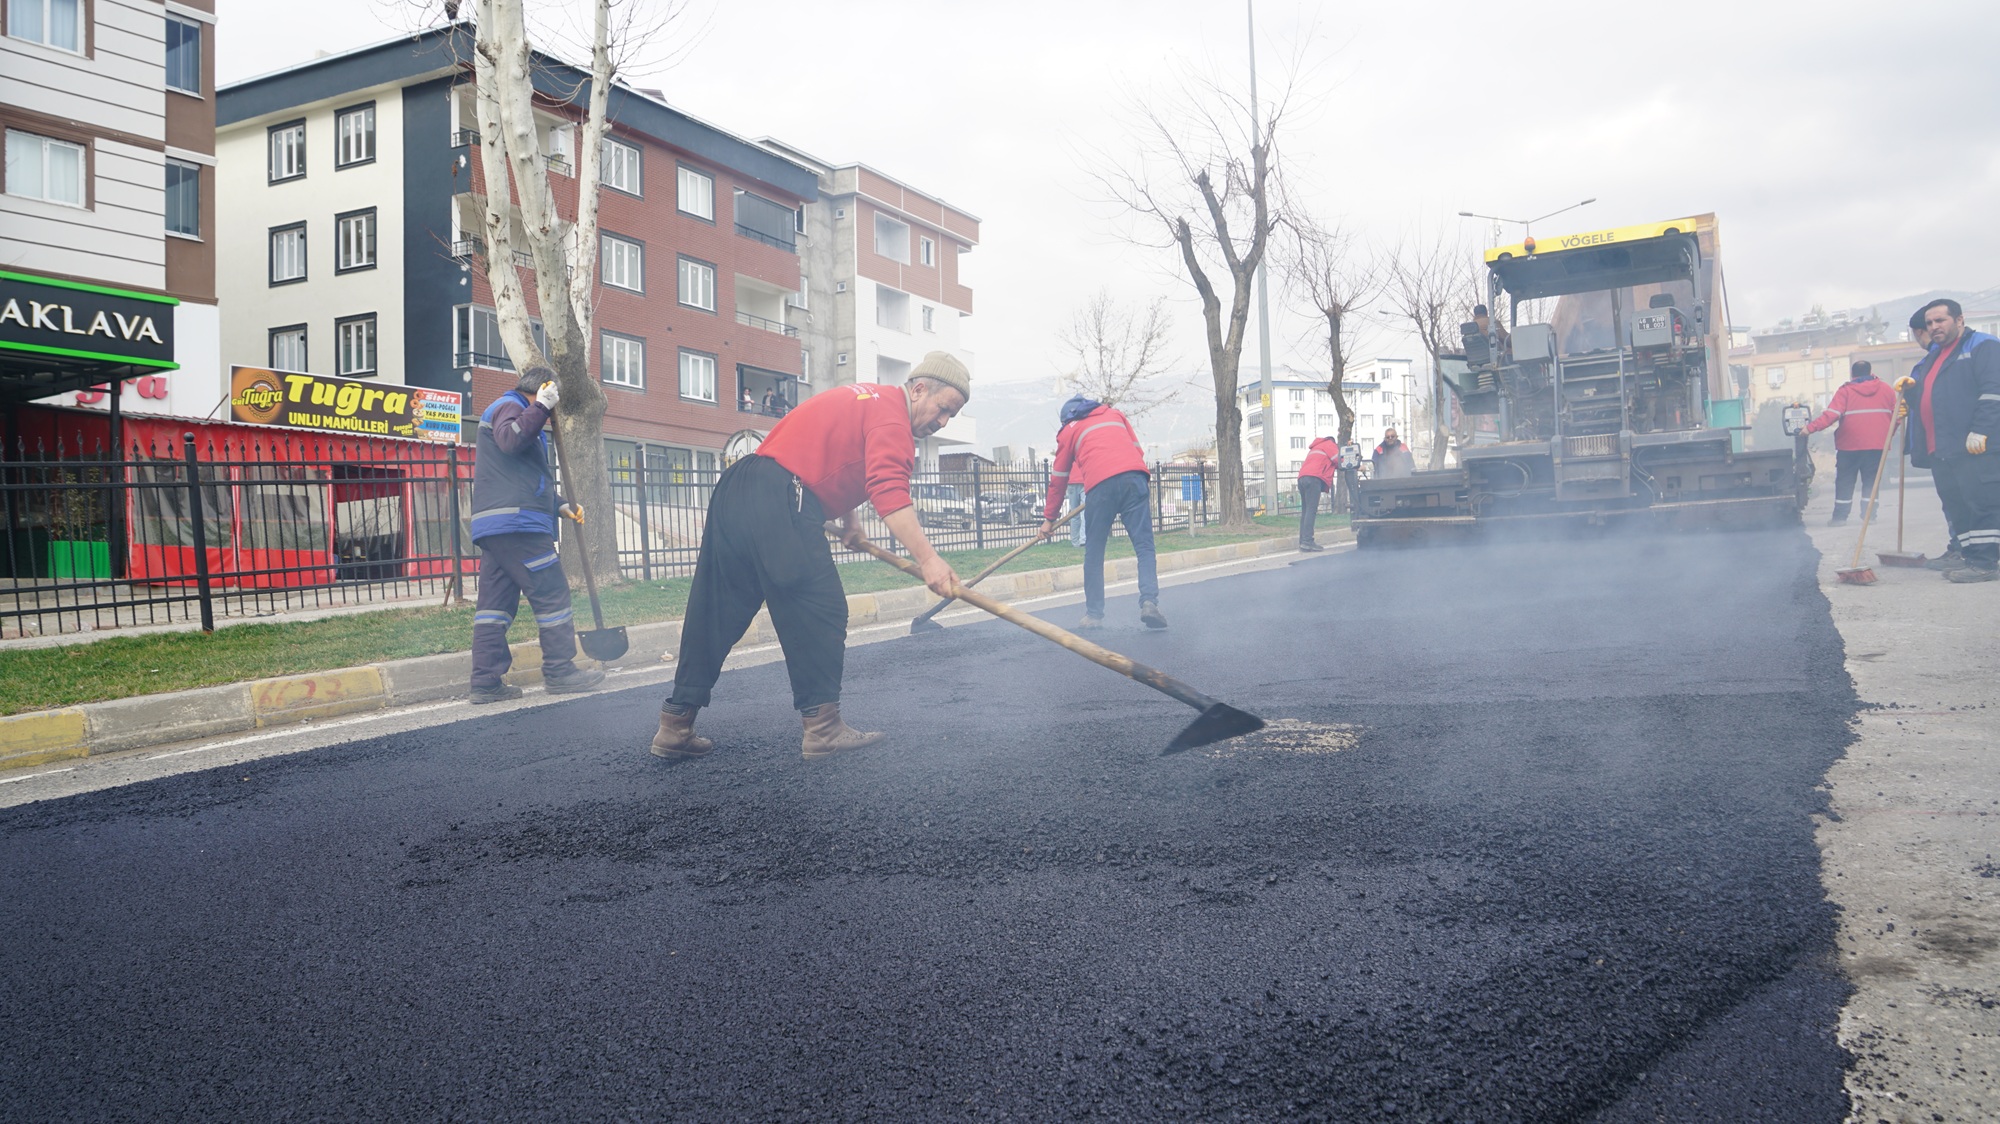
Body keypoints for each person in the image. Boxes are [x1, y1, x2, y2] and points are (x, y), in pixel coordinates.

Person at [651, 351, 970, 761]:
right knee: (820, 608)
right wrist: (929, 559)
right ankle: (823, 729)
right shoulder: (894, 420)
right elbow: (889, 488)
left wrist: (851, 521)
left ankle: (675, 724)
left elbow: (840, 457)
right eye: (943, 409)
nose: (943, 422)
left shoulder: (867, 399)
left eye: (951, 416)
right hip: (782, 491)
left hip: (740, 486)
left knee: (717, 609)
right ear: (919, 389)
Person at [466, 367, 606, 704]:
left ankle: (485, 681)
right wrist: (541, 406)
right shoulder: (510, 406)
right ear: (543, 389)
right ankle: (560, 672)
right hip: (520, 526)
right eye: (552, 397)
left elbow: (524, 476)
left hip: (500, 527)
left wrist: (560, 506)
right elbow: (510, 440)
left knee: (494, 606)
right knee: (552, 593)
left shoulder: (515, 412)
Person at [1038, 395, 1165, 630]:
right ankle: (1149, 602)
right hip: (1135, 478)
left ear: (1067, 419)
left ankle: (1094, 615)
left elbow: (1059, 478)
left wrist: (1049, 519)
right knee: (1145, 547)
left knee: (1094, 552)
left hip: (1100, 487)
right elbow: (1137, 451)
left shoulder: (1069, 431)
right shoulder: (1114, 414)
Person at [1898, 299, 2000, 582]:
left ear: (1959, 320)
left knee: (1981, 503)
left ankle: (1985, 563)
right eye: (1930, 323)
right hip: (1943, 447)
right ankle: (1968, 556)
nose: (1934, 327)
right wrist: (1910, 395)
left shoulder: (1983, 345)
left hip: (1974, 445)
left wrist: (1981, 430)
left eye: (1940, 320)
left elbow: (1993, 391)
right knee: (1957, 505)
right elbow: (1936, 396)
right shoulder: (1935, 355)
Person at [1802, 360, 1897, 525]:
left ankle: (1840, 518)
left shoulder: (1846, 391)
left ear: (1852, 374)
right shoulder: (1886, 389)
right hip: (1876, 446)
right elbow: (1897, 417)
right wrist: (1887, 435)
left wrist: (1809, 428)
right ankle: (1869, 516)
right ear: (1870, 371)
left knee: (1845, 481)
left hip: (1849, 446)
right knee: (1871, 482)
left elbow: (1831, 416)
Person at [1296, 434, 1340, 550]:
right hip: (1313, 478)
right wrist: (1357, 466)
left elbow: (1332, 463)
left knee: (1306, 511)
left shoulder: (1316, 447)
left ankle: (1302, 541)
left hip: (1302, 478)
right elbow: (1340, 460)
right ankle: (1307, 541)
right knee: (1311, 510)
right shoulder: (1329, 444)